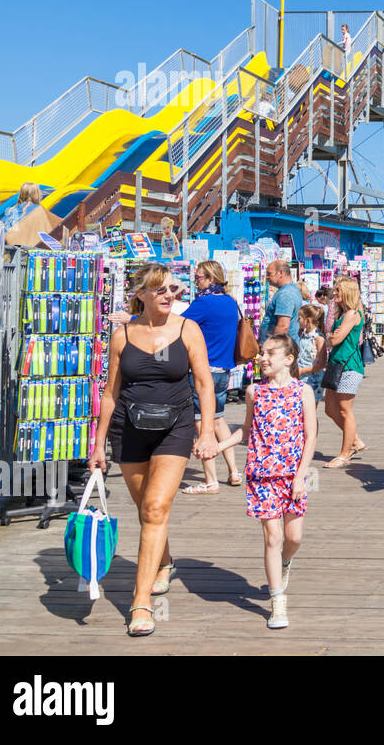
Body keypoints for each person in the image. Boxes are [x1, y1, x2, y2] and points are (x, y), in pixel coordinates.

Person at [88, 263, 217, 637]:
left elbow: (205, 385)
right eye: (158, 289)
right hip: (128, 429)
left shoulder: (187, 330)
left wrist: (205, 433)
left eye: (172, 289)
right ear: (141, 294)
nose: (167, 295)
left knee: (156, 507)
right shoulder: (121, 335)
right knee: (147, 509)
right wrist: (98, 444)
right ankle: (164, 560)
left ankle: (140, 600)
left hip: (174, 427)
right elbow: (110, 394)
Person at [215, 335, 316, 629]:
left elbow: (311, 436)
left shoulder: (303, 392)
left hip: (292, 474)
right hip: (261, 474)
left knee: (293, 538)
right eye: (262, 353)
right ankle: (277, 601)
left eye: (271, 353)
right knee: (272, 537)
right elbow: (245, 432)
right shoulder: (254, 392)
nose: (263, 358)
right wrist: (216, 447)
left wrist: (301, 475)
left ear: (289, 359)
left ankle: (286, 562)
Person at [179, 260, 243, 494]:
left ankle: (210, 480)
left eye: (199, 277)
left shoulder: (204, 303)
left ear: (211, 279)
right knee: (218, 419)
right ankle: (234, 471)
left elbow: (177, 324)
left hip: (202, 370)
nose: (196, 281)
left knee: (202, 422)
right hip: (224, 369)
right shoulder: (230, 302)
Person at [322, 276, 366, 468]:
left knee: (345, 410)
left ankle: (345, 453)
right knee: (330, 409)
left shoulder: (352, 314)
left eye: (338, 290)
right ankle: (355, 440)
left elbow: (335, 340)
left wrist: (330, 336)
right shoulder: (343, 314)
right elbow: (332, 336)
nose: (335, 293)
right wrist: (331, 336)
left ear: (347, 292)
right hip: (336, 364)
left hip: (349, 366)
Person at [260, 260, 303, 343]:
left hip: (282, 349)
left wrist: (274, 347)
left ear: (280, 273)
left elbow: (283, 326)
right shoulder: (291, 289)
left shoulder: (285, 294)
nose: (267, 277)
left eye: (269, 274)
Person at [297, 304, 327, 402]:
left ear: (308, 320)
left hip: (313, 380)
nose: (298, 321)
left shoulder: (318, 338)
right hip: (300, 378)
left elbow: (321, 364)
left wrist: (301, 371)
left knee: (310, 412)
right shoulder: (303, 334)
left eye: (300, 318)